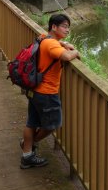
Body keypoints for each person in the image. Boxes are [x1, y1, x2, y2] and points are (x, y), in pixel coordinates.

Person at [20, 13, 79, 169]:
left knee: (31, 122)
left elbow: (55, 46)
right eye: (64, 26)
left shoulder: (44, 37)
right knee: (52, 125)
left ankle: (27, 155)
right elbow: (66, 57)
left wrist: (63, 43)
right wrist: (75, 52)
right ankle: (31, 143)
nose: (67, 30)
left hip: (34, 89)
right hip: (47, 92)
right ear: (54, 27)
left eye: (68, 27)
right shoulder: (51, 44)